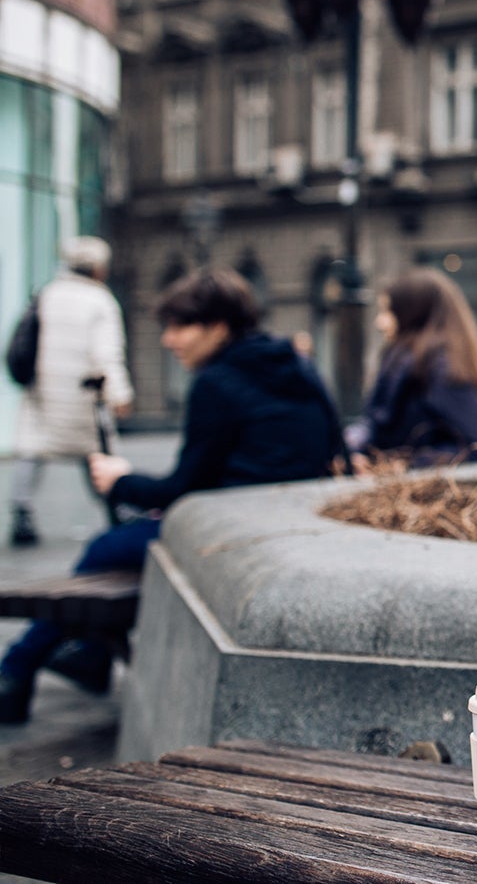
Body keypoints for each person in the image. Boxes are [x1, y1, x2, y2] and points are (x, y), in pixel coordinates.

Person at [0, 266, 344, 724]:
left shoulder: (216, 382)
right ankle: (85, 655)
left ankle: (17, 670)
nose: (168, 339)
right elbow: (334, 449)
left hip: (230, 531)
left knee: (106, 548)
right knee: (120, 548)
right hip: (289, 523)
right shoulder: (297, 366)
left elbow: (183, 488)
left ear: (218, 326)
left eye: (181, 326)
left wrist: (120, 479)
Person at [8, 236, 133, 547]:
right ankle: (115, 505)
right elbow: (107, 353)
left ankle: (21, 511)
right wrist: (119, 393)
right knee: (96, 451)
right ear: (97, 268)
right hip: (83, 393)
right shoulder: (99, 300)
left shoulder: (47, 293)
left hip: (43, 390)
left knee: (32, 449)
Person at [343, 268, 477, 468]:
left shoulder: (437, 368)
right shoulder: (406, 362)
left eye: (387, 311)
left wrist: (406, 464)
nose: (380, 322)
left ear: (411, 312)